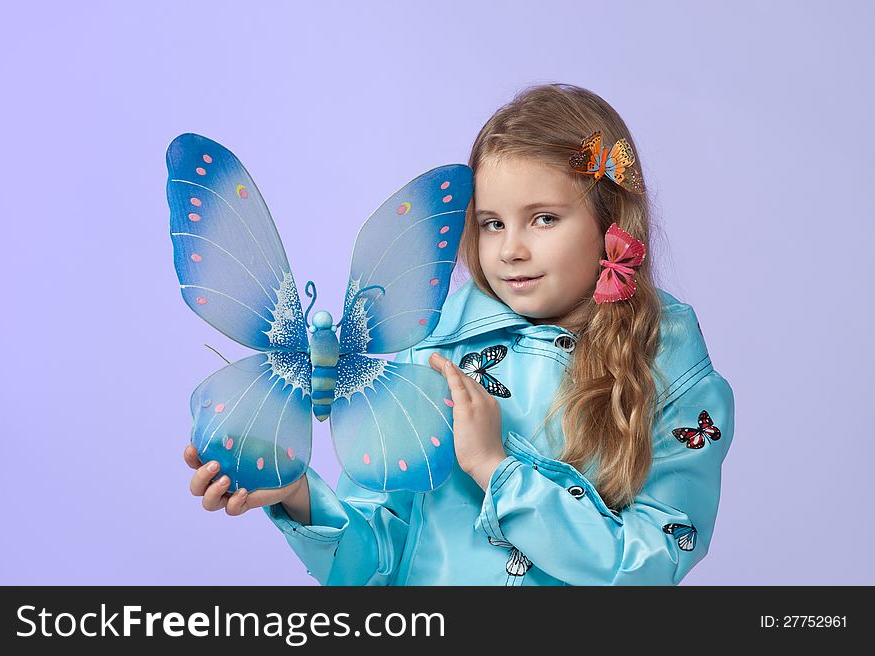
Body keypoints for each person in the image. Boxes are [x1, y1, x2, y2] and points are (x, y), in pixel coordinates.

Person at [184, 84, 735, 585]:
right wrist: (301, 499)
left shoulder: (668, 373)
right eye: (492, 222)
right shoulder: (432, 355)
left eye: (543, 218)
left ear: (609, 219)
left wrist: (498, 469)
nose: (510, 248)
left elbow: (650, 566)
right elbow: (375, 564)